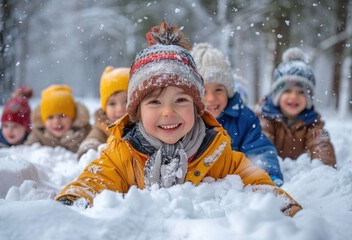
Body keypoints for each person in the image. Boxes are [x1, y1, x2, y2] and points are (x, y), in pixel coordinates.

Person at [56, 21, 301, 217]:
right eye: (154, 102)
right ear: (137, 111)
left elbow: (250, 175)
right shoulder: (124, 153)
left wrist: (279, 202)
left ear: (197, 107)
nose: (168, 112)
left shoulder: (214, 150)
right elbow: (95, 178)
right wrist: (71, 201)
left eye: (181, 100)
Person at [190, 43, 284, 186]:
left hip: (235, 189)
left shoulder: (243, 118)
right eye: (203, 91)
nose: (211, 98)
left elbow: (259, 150)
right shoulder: (188, 120)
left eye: (218, 90)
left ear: (229, 91)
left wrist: (266, 173)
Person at [255, 47, 336, 167]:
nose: (294, 97)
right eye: (287, 91)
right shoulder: (264, 117)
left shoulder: (314, 122)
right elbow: (261, 144)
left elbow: (321, 143)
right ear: (277, 95)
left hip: (298, 177)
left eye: (301, 92)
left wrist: (324, 168)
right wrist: (264, 167)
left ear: (308, 98)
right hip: (272, 172)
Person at [76, 66, 129, 159]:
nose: (120, 109)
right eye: (112, 103)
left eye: (127, 101)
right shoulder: (103, 126)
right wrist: (89, 150)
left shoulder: (144, 124)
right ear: (104, 108)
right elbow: (93, 138)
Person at [25, 85, 91, 153]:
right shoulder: (38, 134)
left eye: (62, 115)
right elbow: (27, 152)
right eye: (50, 117)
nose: (56, 121)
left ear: (73, 116)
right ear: (43, 120)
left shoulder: (85, 132)